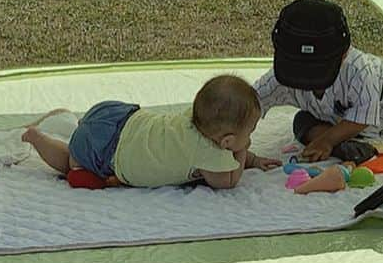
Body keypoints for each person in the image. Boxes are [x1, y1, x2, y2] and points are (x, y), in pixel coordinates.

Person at [252, 0, 383, 164]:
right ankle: (344, 146)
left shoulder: (359, 68)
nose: (309, 80)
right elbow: (247, 101)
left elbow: (364, 114)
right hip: (331, 120)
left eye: (318, 71)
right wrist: (231, 138)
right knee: (301, 122)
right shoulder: (281, 77)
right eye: (299, 70)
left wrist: (326, 140)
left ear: (344, 54)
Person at [21, 73, 279, 189]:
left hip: (120, 115)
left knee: (84, 136)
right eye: (251, 131)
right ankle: (37, 138)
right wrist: (244, 151)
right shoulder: (209, 153)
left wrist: (254, 159)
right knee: (69, 162)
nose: (251, 137)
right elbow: (230, 181)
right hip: (110, 150)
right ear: (226, 142)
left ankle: (72, 126)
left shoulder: (196, 116)